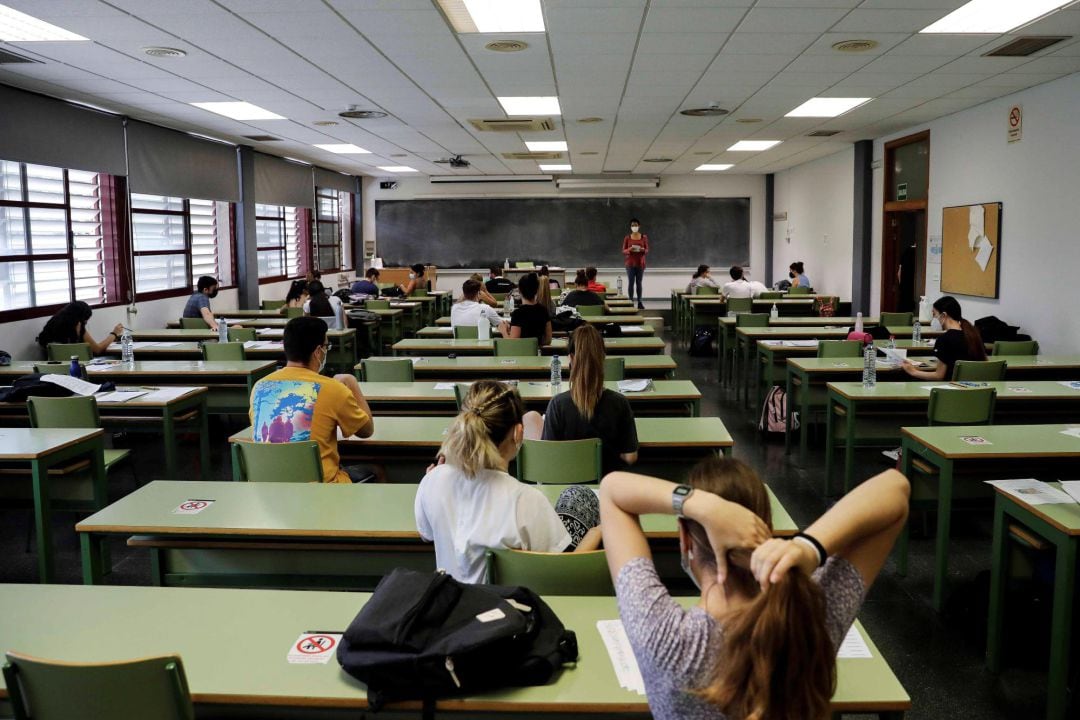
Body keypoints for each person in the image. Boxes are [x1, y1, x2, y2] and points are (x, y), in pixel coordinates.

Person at [600, 458, 909, 720]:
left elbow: (613, 490)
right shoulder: (808, 617)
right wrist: (809, 546)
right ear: (767, 528)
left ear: (685, 541)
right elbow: (895, 488)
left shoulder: (663, 638)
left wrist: (698, 505)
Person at [414, 380, 602, 583]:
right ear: (518, 432)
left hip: (453, 603)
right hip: (511, 609)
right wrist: (597, 531)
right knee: (578, 498)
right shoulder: (526, 500)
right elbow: (564, 574)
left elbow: (427, 534)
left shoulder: (433, 481)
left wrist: (432, 478)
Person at [249, 316, 376, 484]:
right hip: (319, 491)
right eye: (326, 346)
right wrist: (351, 382)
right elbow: (366, 431)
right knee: (378, 470)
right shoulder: (333, 389)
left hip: (269, 487)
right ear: (318, 352)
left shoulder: (260, 386)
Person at [539, 325, 639, 474]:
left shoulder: (557, 405)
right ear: (602, 358)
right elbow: (630, 456)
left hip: (566, 484)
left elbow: (549, 455)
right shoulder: (620, 403)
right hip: (606, 486)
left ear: (571, 359)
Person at [902, 295, 987, 380]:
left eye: (934, 314)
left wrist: (913, 371)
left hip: (951, 389)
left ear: (943, 315)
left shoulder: (944, 339)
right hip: (976, 388)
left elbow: (939, 376)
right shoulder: (973, 334)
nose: (933, 319)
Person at [36, 301, 123, 357]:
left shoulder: (51, 325)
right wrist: (114, 334)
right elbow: (97, 349)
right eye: (85, 321)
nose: (84, 324)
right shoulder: (77, 325)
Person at [508, 272, 552, 346]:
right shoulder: (543, 310)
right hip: (538, 355)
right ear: (537, 290)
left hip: (521, 355)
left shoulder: (518, 313)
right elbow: (548, 340)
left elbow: (513, 344)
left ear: (519, 291)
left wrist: (504, 331)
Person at [622, 218, 649, 309]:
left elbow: (647, 250)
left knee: (639, 283)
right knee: (631, 283)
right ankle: (630, 301)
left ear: (639, 226)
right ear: (630, 227)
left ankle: (640, 302)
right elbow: (624, 251)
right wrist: (629, 249)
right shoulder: (627, 237)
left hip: (640, 263)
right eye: (632, 225)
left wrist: (642, 250)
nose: (634, 227)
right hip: (630, 263)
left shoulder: (644, 237)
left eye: (636, 225)